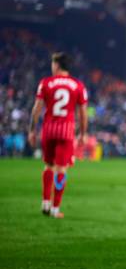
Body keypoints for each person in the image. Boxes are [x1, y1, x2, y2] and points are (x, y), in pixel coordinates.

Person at [28, 52, 88, 219]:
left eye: (53, 64)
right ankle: (55, 208)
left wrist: (32, 130)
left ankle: (45, 203)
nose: (51, 67)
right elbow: (83, 113)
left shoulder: (46, 83)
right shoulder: (77, 85)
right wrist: (83, 134)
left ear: (57, 65)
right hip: (66, 132)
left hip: (48, 130)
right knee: (61, 169)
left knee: (48, 166)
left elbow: (36, 109)